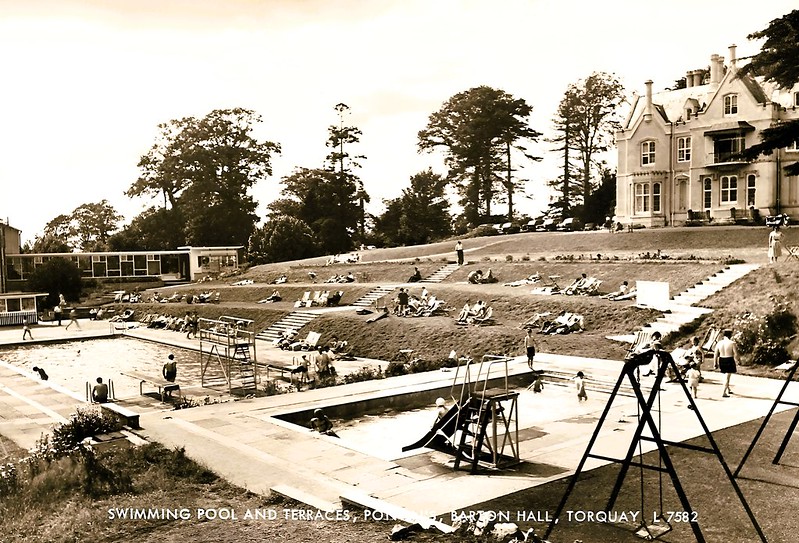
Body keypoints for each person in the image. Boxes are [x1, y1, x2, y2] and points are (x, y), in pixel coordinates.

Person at [714, 329, 738, 398]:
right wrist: (738, 360)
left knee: (725, 375)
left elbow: (715, 354)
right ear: (730, 335)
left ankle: (728, 389)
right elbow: (736, 353)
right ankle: (724, 392)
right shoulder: (732, 343)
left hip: (721, 359)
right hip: (729, 359)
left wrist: (715, 362)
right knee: (727, 377)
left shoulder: (719, 343)